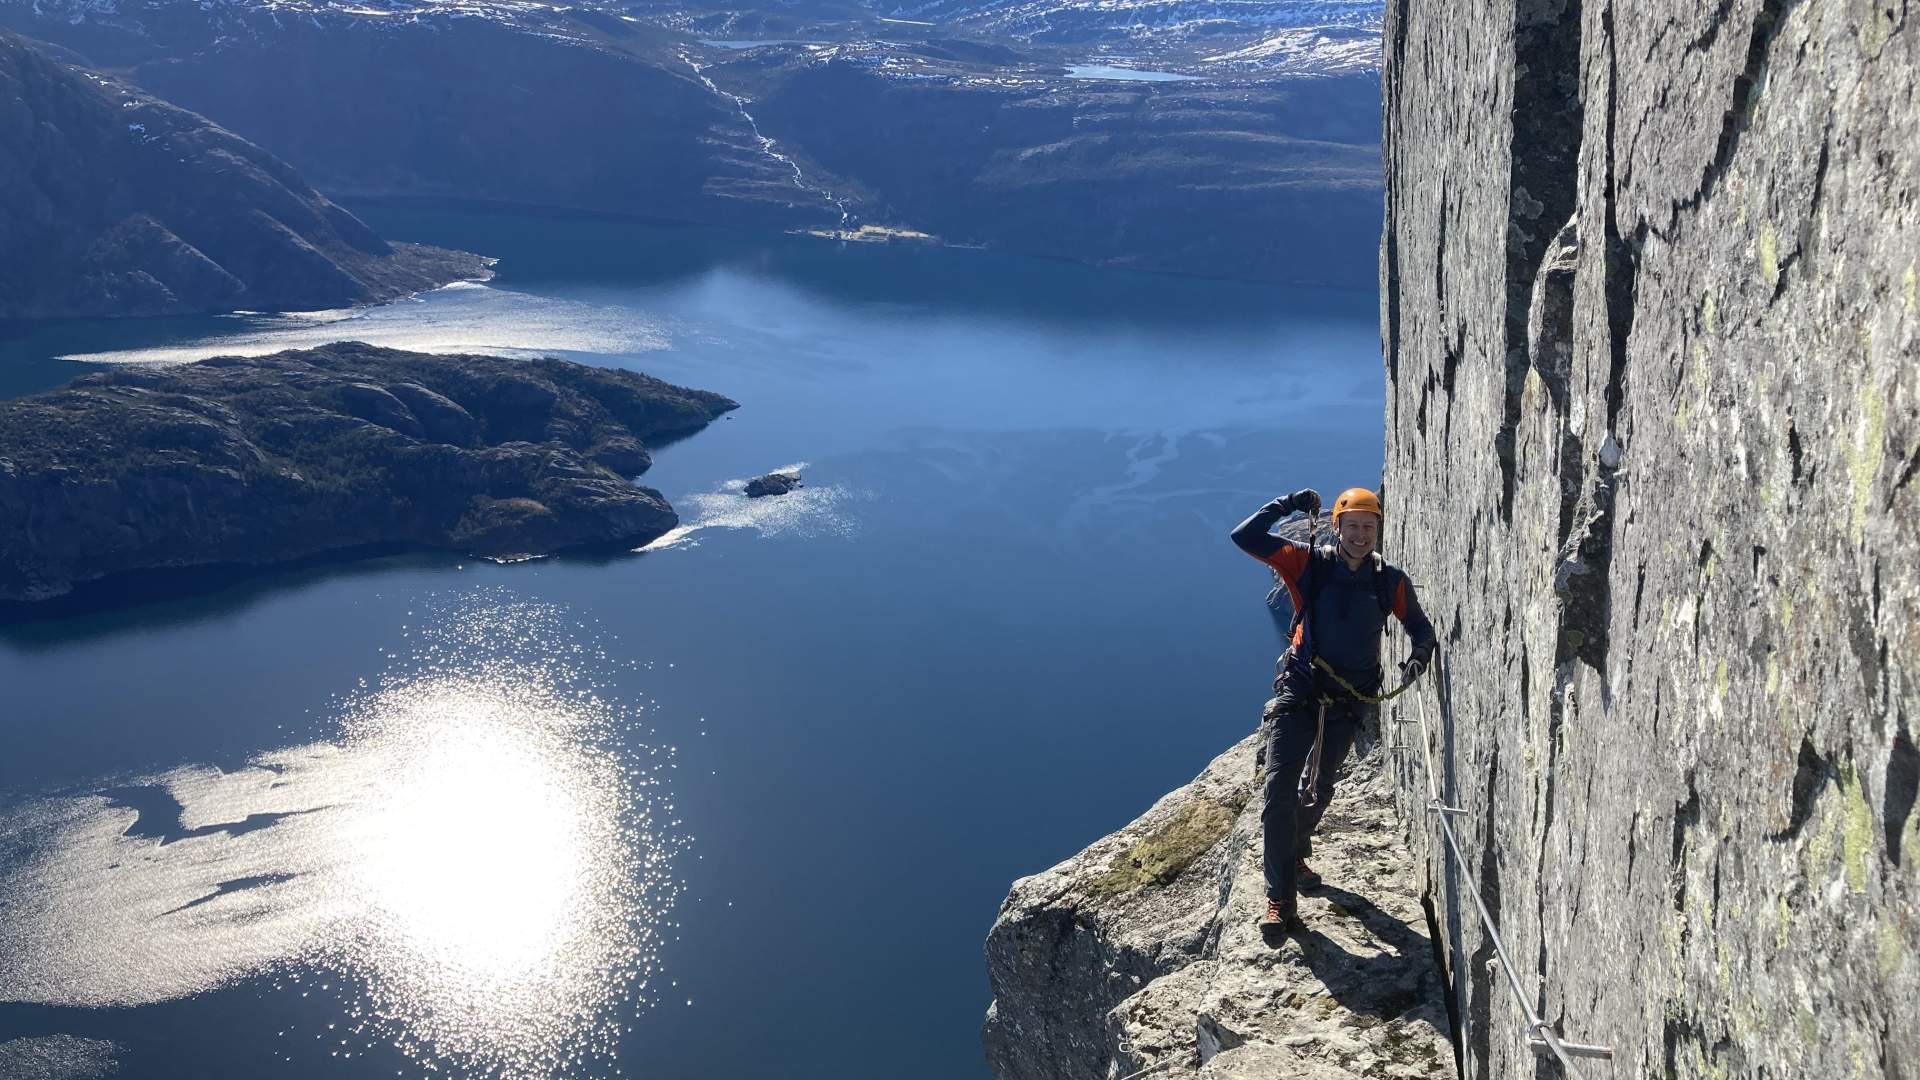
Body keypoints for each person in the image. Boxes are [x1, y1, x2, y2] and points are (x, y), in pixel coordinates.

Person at [1230, 486, 1437, 931]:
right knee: (1279, 793)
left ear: (1378, 531)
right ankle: (1280, 899)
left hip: (1348, 701)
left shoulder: (1389, 581)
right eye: (1353, 526)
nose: (1361, 535)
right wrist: (1286, 503)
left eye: (1369, 527)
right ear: (1336, 527)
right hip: (1300, 693)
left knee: (1319, 789)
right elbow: (1245, 537)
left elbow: (1421, 629)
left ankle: (1296, 854)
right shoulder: (1309, 564)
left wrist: (1419, 657)